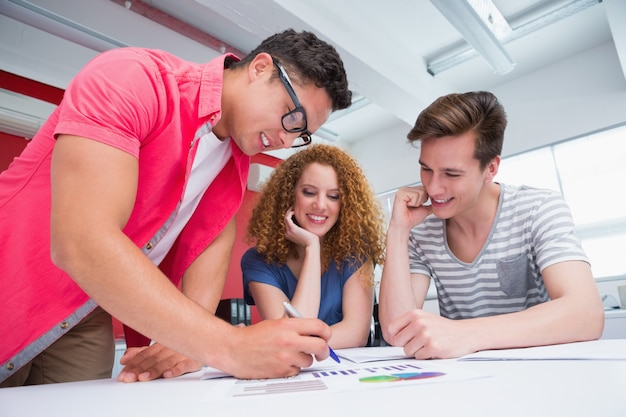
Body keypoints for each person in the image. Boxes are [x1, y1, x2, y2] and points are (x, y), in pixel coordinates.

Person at [0, 29, 353, 387]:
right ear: (261, 68)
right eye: (292, 118)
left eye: (301, 134)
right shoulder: (133, 78)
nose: (287, 140)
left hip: (86, 307)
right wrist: (229, 345)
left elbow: (214, 242)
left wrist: (190, 343)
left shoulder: (233, 162)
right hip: (13, 277)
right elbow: (82, 241)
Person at [378, 91, 605, 359]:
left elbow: (586, 312)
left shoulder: (538, 209)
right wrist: (398, 231)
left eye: (452, 173)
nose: (433, 187)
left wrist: (465, 334)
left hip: (541, 373)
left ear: (491, 168)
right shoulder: (421, 231)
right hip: (467, 382)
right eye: (426, 169)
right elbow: (398, 332)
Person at [242, 144, 386, 349]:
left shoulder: (356, 254)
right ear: (290, 195)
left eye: (333, 196)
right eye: (309, 192)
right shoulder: (258, 262)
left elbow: (357, 334)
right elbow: (289, 336)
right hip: (290, 373)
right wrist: (312, 247)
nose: (320, 204)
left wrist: (303, 343)